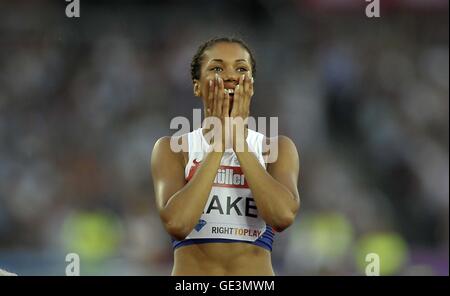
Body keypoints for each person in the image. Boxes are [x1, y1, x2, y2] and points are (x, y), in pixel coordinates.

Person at [151, 37, 300, 275]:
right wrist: (219, 143)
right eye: (217, 68)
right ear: (197, 85)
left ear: (251, 84)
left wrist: (239, 142)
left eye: (241, 68)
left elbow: (281, 216)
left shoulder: (277, 148)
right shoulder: (173, 149)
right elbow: (178, 224)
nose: (230, 76)